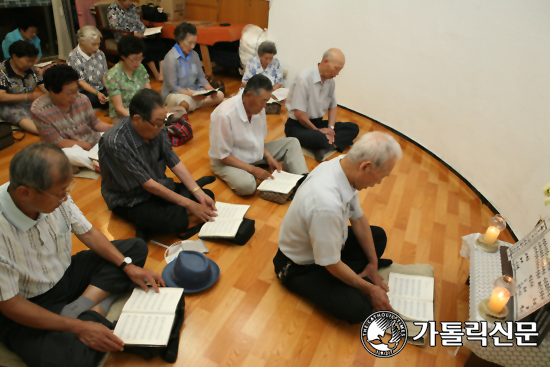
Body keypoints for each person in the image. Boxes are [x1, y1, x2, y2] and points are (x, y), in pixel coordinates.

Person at [0, 143, 164, 367]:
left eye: (67, 190)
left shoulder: (53, 195)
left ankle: (83, 308)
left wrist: (127, 266)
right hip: (29, 302)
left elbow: (87, 232)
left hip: (64, 275)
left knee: (134, 250)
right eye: (60, 193)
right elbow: (11, 305)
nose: (65, 198)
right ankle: (93, 311)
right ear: (24, 193)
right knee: (70, 361)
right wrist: (79, 327)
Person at [273, 132, 402, 324]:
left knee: (378, 237)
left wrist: (373, 263)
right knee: (359, 308)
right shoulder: (326, 202)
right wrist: (370, 289)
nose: (379, 183)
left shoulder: (343, 165)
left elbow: (358, 218)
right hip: (298, 267)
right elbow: (330, 263)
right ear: (365, 166)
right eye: (382, 176)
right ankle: (348, 279)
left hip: (327, 247)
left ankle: (353, 275)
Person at [99, 89, 217, 240]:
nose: (161, 128)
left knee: (206, 197)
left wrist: (197, 191)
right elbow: (147, 184)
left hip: (159, 185)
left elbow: (173, 160)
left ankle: (160, 216)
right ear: (137, 119)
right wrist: (189, 204)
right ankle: (149, 221)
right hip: (131, 199)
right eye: (157, 123)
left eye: (163, 121)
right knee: (179, 221)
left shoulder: (157, 126)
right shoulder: (115, 141)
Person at [209, 74, 309, 196]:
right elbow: (223, 155)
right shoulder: (224, 114)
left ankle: (304, 181)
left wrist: (269, 157)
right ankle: (250, 171)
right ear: (249, 95)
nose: (265, 106)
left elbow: (258, 140)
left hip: (252, 151)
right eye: (263, 101)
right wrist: (252, 169)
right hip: (227, 160)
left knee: (292, 143)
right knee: (247, 186)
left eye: (266, 101)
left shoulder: (258, 107)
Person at [31, 65, 112, 170]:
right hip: (64, 148)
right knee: (70, 154)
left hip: (90, 138)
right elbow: (56, 141)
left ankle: (93, 161)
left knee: (112, 136)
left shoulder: (82, 99)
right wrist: (84, 145)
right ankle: (103, 165)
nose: (75, 96)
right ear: (52, 90)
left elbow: (94, 123)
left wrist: (112, 128)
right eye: (70, 93)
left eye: (76, 91)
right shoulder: (39, 110)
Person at [285, 48, 359, 162]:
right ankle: (327, 144)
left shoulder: (330, 82)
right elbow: (299, 114)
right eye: (336, 69)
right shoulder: (304, 78)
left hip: (318, 123)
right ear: (325, 61)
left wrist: (330, 128)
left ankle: (325, 146)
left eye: (340, 70)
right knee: (319, 137)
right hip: (298, 125)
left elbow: (333, 106)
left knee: (353, 128)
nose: (337, 73)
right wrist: (318, 131)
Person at [162, 22, 224, 114]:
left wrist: (211, 90)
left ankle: (192, 105)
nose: (192, 46)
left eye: (194, 43)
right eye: (189, 43)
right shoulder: (170, 57)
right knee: (184, 103)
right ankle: (191, 105)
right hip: (175, 94)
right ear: (180, 40)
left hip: (193, 91)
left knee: (220, 96)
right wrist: (192, 95)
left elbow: (201, 78)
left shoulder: (194, 55)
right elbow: (173, 87)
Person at [107, 0, 174, 82]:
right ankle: (156, 74)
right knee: (145, 47)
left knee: (160, 44)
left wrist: (147, 32)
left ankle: (161, 74)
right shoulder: (112, 10)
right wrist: (134, 35)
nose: (131, 3)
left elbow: (139, 23)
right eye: (129, 1)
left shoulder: (132, 7)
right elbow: (116, 29)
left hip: (139, 35)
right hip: (125, 38)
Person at [0, 41, 46, 134]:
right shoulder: (2, 71)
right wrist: (27, 96)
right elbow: (1, 96)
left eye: (33, 61)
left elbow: (43, 87)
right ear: (14, 56)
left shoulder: (31, 70)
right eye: (28, 61)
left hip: (29, 103)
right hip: (8, 105)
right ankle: (45, 133)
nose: (31, 64)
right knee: (19, 114)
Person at [104, 35, 151, 124]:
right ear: (123, 56)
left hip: (142, 112)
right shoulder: (113, 75)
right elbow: (119, 109)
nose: (138, 62)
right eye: (134, 59)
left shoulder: (140, 68)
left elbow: (149, 93)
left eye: (140, 57)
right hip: (123, 117)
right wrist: (140, 118)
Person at [67, 26, 109, 109]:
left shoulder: (100, 54)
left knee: (118, 94)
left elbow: (104, 75)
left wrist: (110, 90)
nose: (97, 47)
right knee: (88, 101)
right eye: (93, 44)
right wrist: (97, 93)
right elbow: (81, 82)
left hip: (101, 88)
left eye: (98, 44)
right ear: (82, 41)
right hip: (85, 92)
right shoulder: (73, 57)